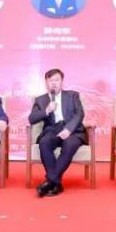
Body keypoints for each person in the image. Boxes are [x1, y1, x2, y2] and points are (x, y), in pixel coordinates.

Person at [28, 68, 86, 197]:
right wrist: (46, 110)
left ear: (62, 82)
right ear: (46, 83)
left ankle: (50, 181)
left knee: (69, 144)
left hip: (73, 131)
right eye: (51, 80)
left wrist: (68, 129)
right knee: (44, 143)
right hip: (52, 130)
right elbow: (31, 119)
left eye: (57, 80)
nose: (54, 83)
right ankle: (56, 183)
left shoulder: (72, 95)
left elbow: (80, 114)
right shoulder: (40, 100)